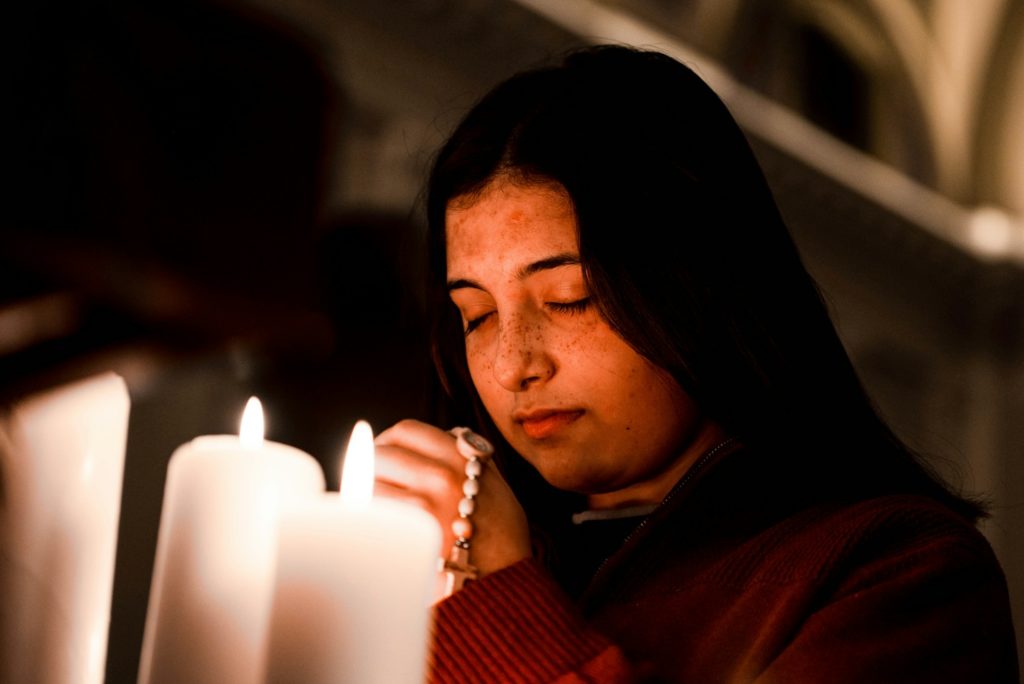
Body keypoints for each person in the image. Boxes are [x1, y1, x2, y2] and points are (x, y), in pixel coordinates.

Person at [372, 45, 1019, 682]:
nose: (514, 364)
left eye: (571, 299)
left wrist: (500, 607)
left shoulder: (891, 568)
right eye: (477, 315)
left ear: (698, 289)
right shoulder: (446, 565)